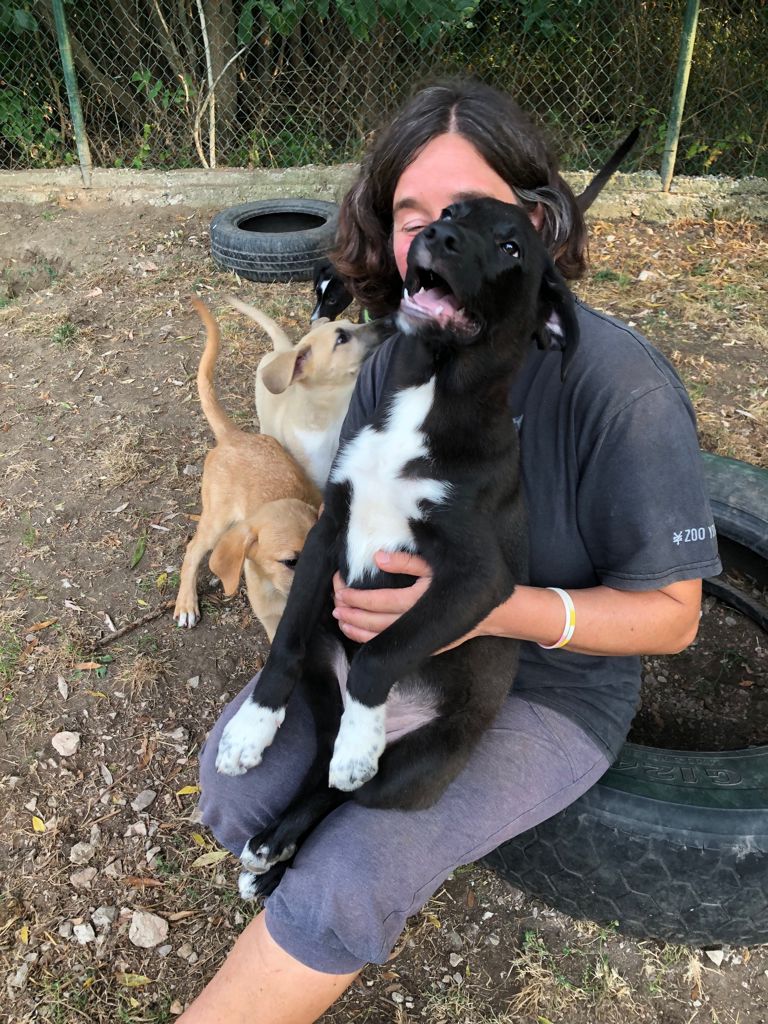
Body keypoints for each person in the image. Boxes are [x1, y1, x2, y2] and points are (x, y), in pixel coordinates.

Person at [180, 79, 721, 1023]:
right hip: (384, 644)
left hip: (541, 682)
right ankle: (305, 864)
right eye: (411, 215)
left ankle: (328, 895)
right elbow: (348, 519)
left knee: (349, 876)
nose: (436, 234)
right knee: (235, 794)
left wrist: (491, 609)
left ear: (534, 220)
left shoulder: (617, 389)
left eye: (468, 208)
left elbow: (674, 620)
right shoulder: (398, 353)